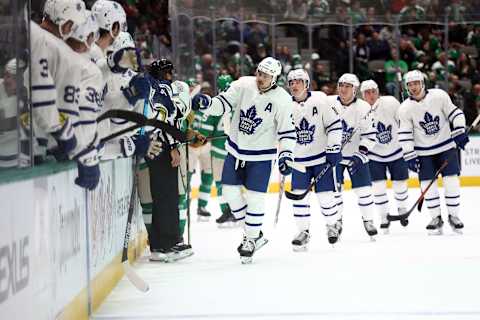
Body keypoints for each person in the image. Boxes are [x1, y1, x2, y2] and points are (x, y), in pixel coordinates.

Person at [194, 57, 296, 263]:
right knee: (229, 192)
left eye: (266, 76)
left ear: (275, 78)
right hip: (235, 151)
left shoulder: (283, 99)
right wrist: (207, 103)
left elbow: (287, 131)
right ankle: (255, 234)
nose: (261, 78)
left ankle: (249, 239)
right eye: (259, 73)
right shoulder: (243, 84)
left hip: (261, 157)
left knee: (256, 198)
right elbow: (222, 104)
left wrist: (286, 153)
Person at [139, 59, 199, 262]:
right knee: (167, 195)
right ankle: (169, 243)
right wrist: (173, 146)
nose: (171, 76)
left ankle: (159, 244)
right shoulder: (160, 89)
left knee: (162, 194)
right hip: (160, 146)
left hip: (152, 146)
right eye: (168, 73)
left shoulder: (150, 87)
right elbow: (167, 121)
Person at [397, 70, 469, 234]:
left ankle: (453, 216)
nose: (413, 87)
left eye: (416, 83)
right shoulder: (405, 108)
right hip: (423, 152)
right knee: (427, 185)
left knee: (451, 181)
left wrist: (459, 129)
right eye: (410, 84)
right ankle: (436, 217)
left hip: (445, 147)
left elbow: (455, 113)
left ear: (423, 83)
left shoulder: (439, 96)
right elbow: (405, 134)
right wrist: (409, 155)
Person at [287, 69, 342, 250]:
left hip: (321, 158)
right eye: (291, 82)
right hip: (299, 161)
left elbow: (334, 126)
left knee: (326, 197)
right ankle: (303, 232)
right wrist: (282, 155)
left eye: (298, 82)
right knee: (299, 198)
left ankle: (333, 225)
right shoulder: (285, 106)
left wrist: (334, 148)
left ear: (307, 84)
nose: (294, 85)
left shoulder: (321, 100)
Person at [328, 73, 378, 240]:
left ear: (355, 89)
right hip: (334, 155)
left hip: (356, 156)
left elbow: (370, 135)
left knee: (364, 190)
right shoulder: (328, 104)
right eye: (341, 85)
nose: (343, 89)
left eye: (347, 86)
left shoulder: (364, 108)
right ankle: (336, 221)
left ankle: (368, 220)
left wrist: (361, 152)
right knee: (334, 191)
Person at [360, 80, 409, 233]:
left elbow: (403, 122)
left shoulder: (391, 103)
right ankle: (384, 217)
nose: (371, 95)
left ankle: (402, 209)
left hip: (396, 150)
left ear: (378, 91)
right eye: (367, 92)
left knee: (400, 184)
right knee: (378, 187)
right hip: (374, 155)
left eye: (373, 91)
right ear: (362, 95)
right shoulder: (359, 110)